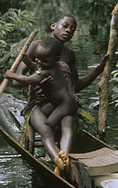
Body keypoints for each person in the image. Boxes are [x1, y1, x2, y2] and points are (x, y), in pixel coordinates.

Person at [12, 12, 108, 168]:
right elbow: (16, 82)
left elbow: (75, 86)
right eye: (65, 26)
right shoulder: (36, 46)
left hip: (60, 104)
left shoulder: (69, 54)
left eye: (73, 29)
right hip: (38, 104)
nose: (69, 30)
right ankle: (58, 159)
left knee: (69, 118)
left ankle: (64, 158)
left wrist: (98, 70)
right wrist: (40, 81)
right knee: (46, 129)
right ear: (53, 26)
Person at [5, 36, 78, 172]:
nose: (39, 61)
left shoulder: (47, 69)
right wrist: (28, 61)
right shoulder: (50, 64)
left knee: (50, 125)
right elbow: (37, 67)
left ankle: (61, 158)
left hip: (63, 105)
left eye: (43, 60)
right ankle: (61, 156)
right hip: (60, 104)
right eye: (37, 58)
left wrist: (11, 75)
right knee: (52, 129)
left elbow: (28, 79)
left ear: (56, 59)